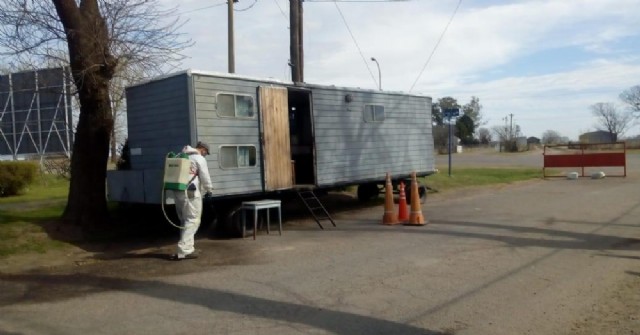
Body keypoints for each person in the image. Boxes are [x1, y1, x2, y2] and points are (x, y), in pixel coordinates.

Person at [170, 141, 214, 261]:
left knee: (185, 220)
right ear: (203, 149)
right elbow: (205, 176)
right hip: (191, 192)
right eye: (206, 152)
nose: (205, 155)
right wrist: (209, 190)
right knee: (193, 220)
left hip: (177, 191)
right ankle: (184, 250)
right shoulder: (199, 158)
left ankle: (187, 248)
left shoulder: (181, 155)